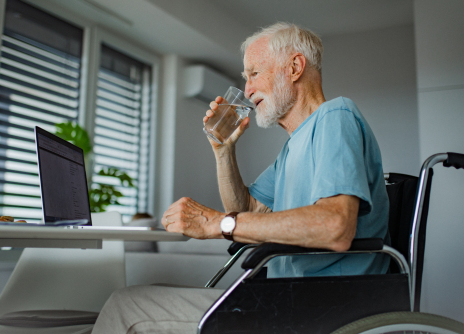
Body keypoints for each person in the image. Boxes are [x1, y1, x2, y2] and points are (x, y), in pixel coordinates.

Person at [92, 22, 389, 333]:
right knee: (144, 295)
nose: (247, 90)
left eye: (254, 74)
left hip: (321, 307)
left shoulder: (334, 117)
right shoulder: (294, 147)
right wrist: (224, 152)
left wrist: (216, 223)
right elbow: (247, 210)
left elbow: (335, 226)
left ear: (295, 67)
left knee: (127, 304)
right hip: (286, 299)